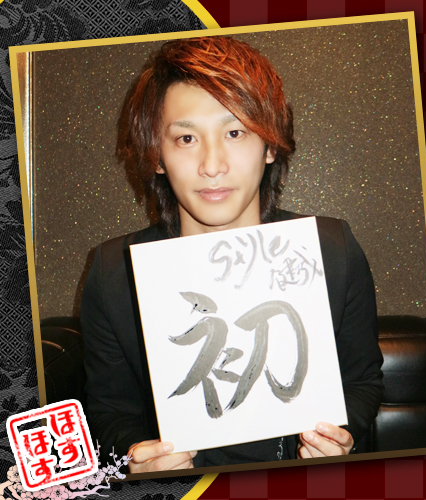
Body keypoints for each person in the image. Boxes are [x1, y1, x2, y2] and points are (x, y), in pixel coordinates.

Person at [80, 36, 384, 473]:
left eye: (235, 132)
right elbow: (110, 409)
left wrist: (339, 434)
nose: (212, 165)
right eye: (186, 138)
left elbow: (362, 380)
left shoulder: (331, 250)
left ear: (270, 146)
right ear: (158, 156)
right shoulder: (114, 272)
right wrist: (136, 456)